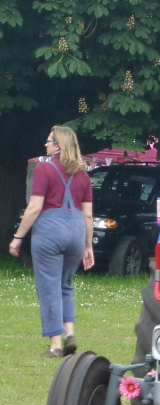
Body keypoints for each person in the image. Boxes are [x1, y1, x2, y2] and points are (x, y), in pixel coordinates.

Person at [8, 126, 94, 357]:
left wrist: (18, 237)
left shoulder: (44, 168)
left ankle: (55, 345)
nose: (45, 145)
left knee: (49, 287)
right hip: (76, 230)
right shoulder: (83, 175)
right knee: (66, 285)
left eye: (48, 141)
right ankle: (70, 333)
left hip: (50, 230)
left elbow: (35, 207)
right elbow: (87, 214)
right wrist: (88, 245)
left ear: (58, 146)